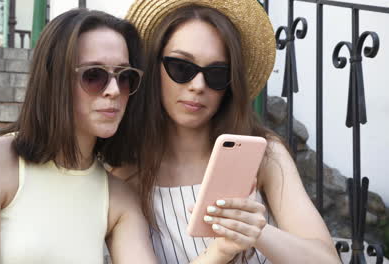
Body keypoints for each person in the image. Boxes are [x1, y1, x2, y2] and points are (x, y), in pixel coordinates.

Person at [111, 0, 342, 263]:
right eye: (181, 68)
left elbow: (328, 260)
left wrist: (258, 232)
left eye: (217, 73)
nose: (198, 85)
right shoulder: (126, 176)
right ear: (154, 68)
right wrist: (220, 251)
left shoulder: (264, 154)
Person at [0, 8, 156, 264]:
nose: (113, 90)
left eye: (125, 77)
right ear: (55, 79)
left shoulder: (119, 197)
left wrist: (218, 251)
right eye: (94, 75)